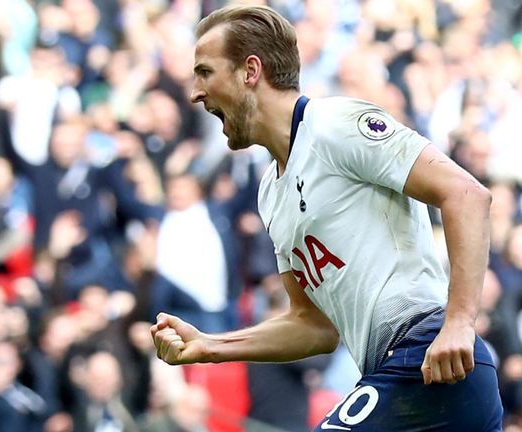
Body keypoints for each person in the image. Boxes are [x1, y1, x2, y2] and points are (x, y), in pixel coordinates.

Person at [151, 4, 503, 431]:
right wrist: (210, 346)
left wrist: (459, 323)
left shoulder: (336, 125)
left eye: (205, 72)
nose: (195, 92)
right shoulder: (270, 193)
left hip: (428, 357)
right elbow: (313, 327)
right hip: (404, 373)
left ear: (250, 71)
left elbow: (466, 194)